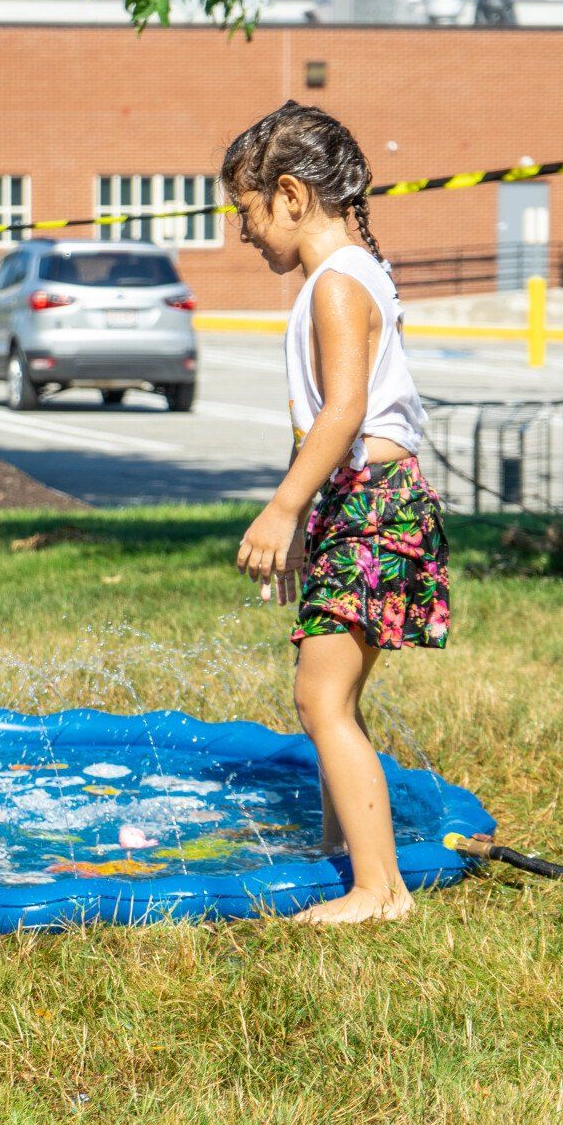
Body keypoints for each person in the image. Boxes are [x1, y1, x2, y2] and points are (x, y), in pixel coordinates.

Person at [222, 101, 451, 926]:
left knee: (321, 700)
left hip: (373, 508)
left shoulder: (337, 282)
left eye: (245, 210)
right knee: (332, 697)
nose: (243, 232)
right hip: (367, 506)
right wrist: (302, 519)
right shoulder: (350, 275)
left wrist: (284, 510)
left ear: (289, 194)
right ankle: (342, 856)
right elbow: (323, 421)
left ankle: (378, 890)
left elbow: (344, 409)